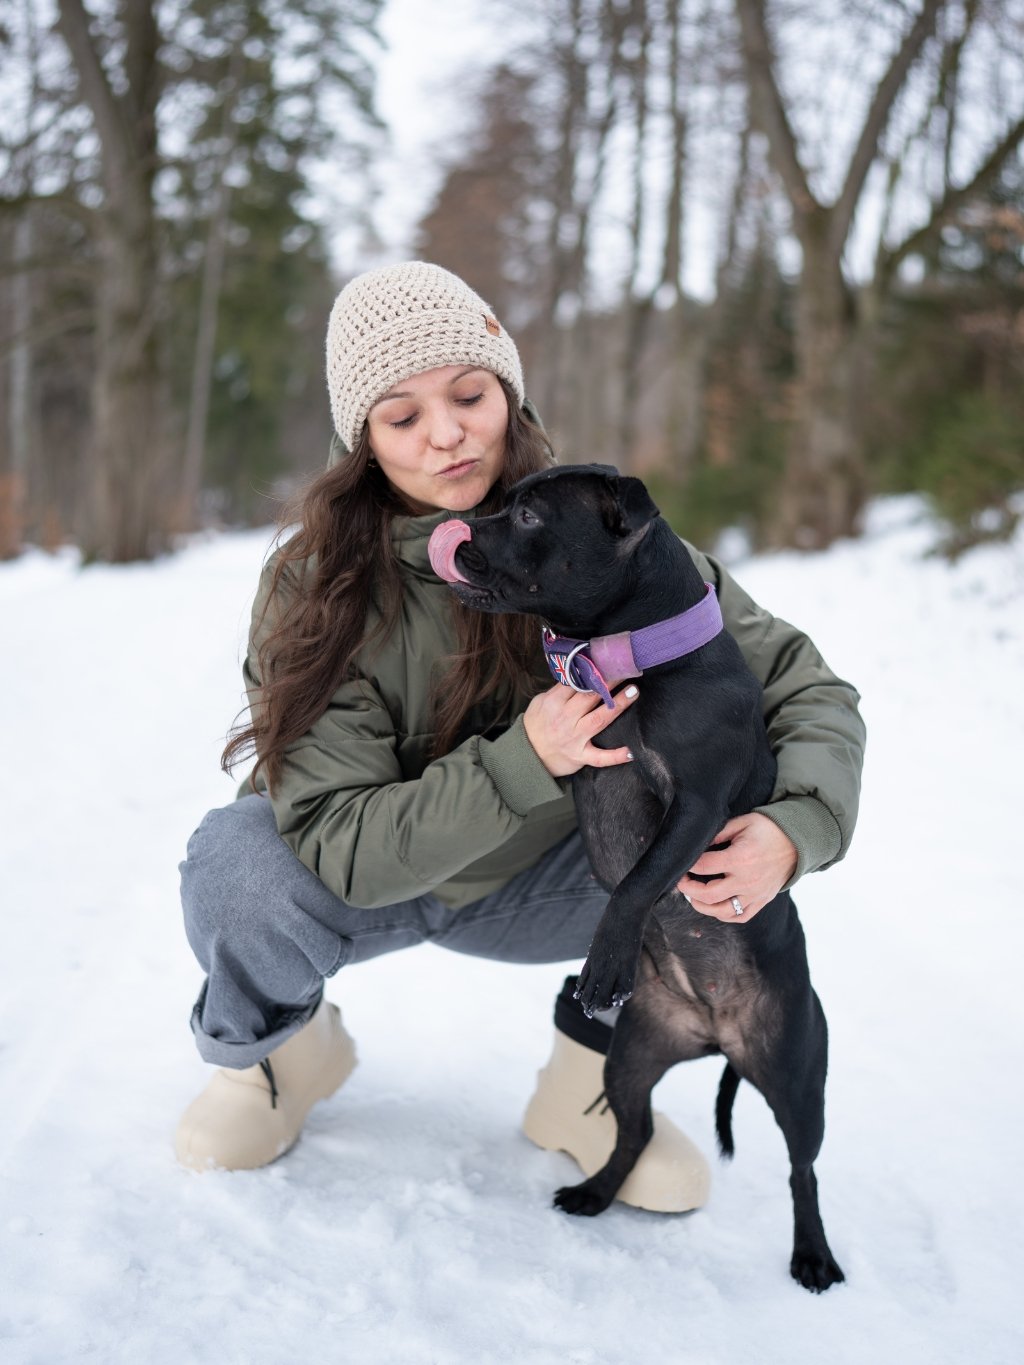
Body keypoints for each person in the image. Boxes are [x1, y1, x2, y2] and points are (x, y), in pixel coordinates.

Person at [176, 262, 865, 1210]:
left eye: (469, 395)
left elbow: (802, 687)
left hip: (550, 882)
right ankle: (278, 1057)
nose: (447, 432)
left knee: (709, 826)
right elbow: (339, 841)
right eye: (402, 416)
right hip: (363, 884)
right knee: (237, 864)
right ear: (364, 441)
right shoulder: (314, 583)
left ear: (508, 392)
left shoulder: (599, 533)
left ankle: (589, 1078)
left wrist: (797, 826)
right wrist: (524, 759)